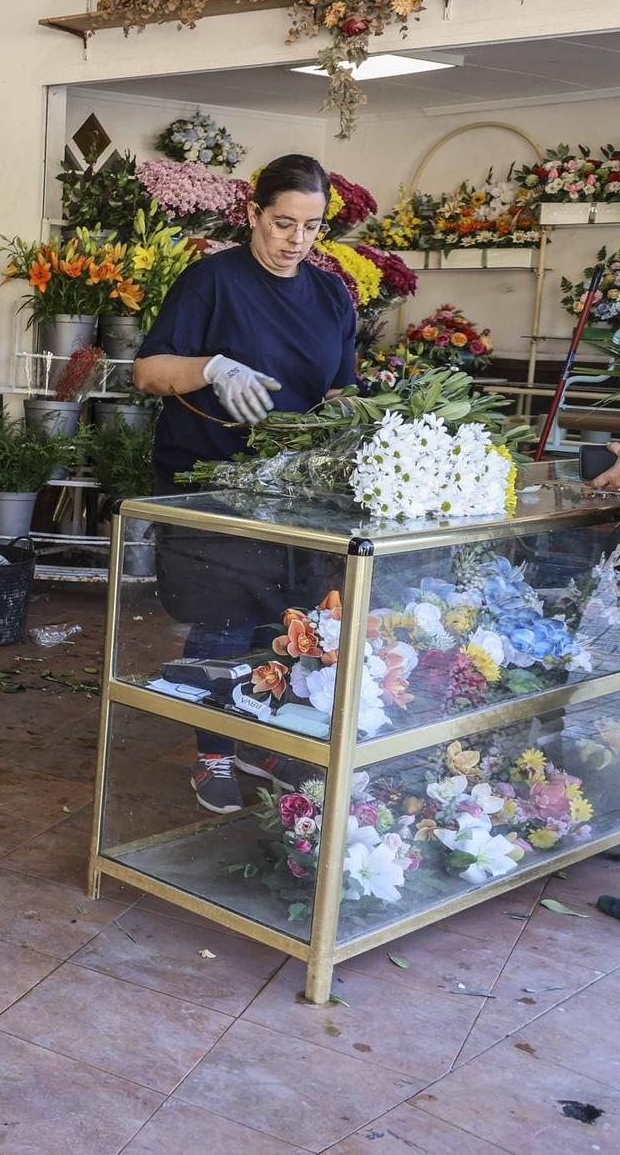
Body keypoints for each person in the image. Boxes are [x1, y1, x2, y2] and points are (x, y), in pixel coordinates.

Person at [133, 155, 359, 813]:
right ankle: (213, 754)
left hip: (296, 491)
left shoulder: (330, 294)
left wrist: (351, 413)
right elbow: (148, 371)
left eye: (311, 226)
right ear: (253, 214)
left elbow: (342, 384)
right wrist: (212, 367)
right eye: (283, 222)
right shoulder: (212, 282)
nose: (296, 239)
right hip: (212, 487)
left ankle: (259, 735)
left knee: (290, 624)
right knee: (224, 620)